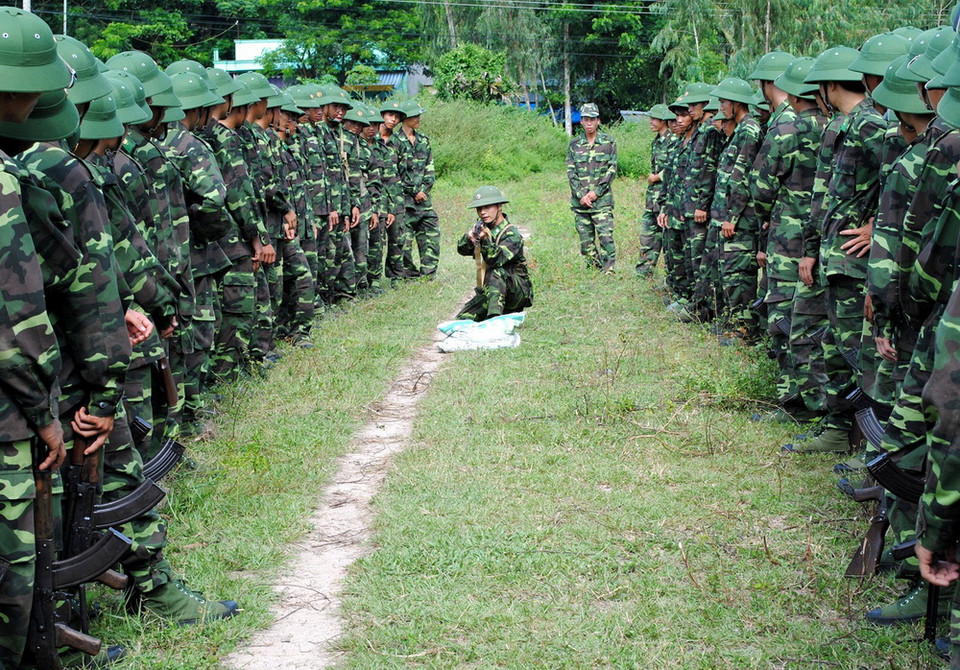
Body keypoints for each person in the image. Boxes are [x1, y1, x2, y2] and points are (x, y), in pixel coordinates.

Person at [456, 186, 532, 321]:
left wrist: (484, 241)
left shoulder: (511, 234)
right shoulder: (484, 230)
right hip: (491, 291)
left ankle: (494, 320)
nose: (482, 212)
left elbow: (496, 260)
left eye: (487, 207)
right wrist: (470, 238)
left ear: (499, 206)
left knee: (495, 272)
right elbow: (462, 250)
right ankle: (491, 314)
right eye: (479, 209)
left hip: (515, 292)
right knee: (463, 319)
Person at [566, 102, 618, 272]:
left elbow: (612, 169)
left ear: (598, 121)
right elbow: (571, 172)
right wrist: (582, 195)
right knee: (586, 241)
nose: (589, 123)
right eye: (586, 119)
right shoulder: (574, 145)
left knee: (605, 237)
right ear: (581, 121)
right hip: (580, 203)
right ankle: (593, 269)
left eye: (592, 119)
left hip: (601, 201)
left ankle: (609, 269)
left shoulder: (608, 142)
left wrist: (596, 193)